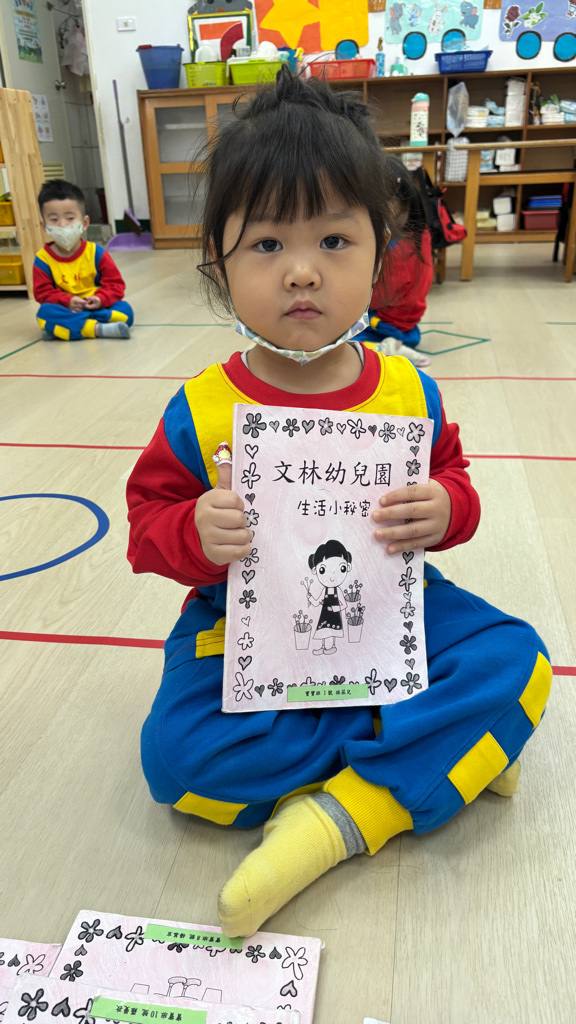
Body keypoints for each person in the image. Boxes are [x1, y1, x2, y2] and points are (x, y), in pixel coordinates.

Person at [126, 68, 551, 939]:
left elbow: (457, 484)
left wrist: (446, 508)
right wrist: (193, 531)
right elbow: (146, 528)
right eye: (266, 244)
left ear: (380, 250)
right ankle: (439, 753)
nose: (302, 272)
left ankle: (338, 820)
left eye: (333, 240)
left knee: (520, 657)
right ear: (219, 264)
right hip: (241, 624)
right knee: (174, 762)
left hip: (393, 607)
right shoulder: (203, 406)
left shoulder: (406, 388)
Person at [34, 179, 134, 340]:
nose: (62, 225)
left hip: (96, 306)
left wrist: (100, 299)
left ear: (85, 223)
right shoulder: (42, 259)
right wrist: (67, 301)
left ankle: (65, 328)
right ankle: (97, 329)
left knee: (125, 311)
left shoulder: (96, 253)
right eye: (53, 220)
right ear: (44, 226)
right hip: (66, 308)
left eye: (70, 218)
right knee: (44, 313)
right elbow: (43, 294)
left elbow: (116, 285)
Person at [358, 156, 434, 368]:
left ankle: (382, 349)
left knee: (336, 342)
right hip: (407, 323)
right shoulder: (420, 234)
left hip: (386, 321)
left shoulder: (399, 249)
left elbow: (379, 297)